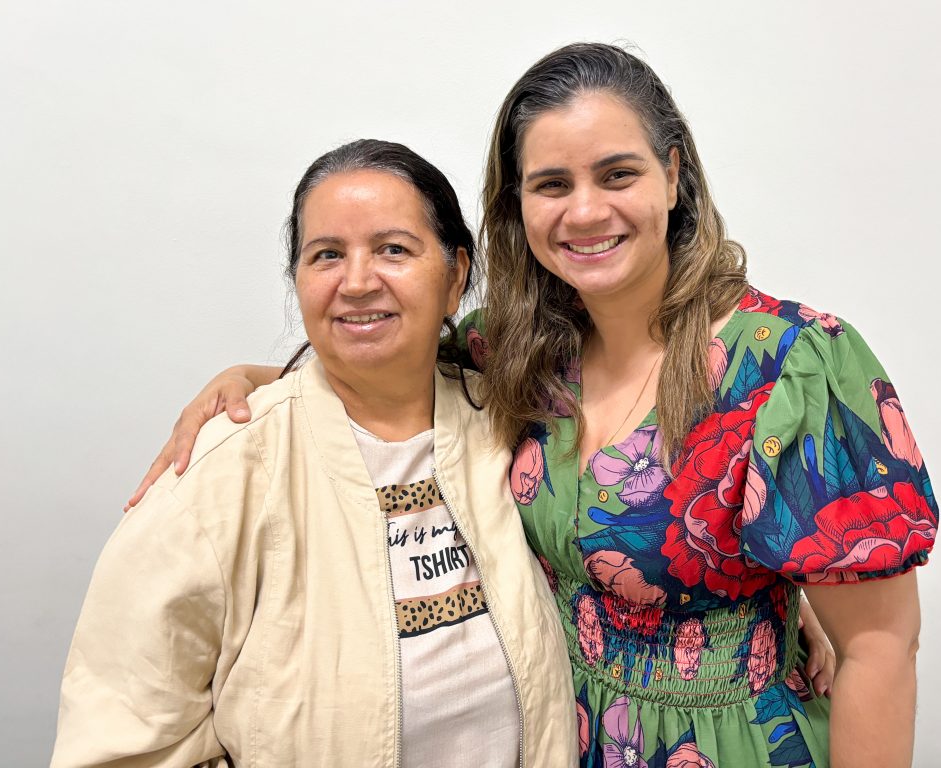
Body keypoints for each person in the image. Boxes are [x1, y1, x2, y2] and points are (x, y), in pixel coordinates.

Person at [130, 44, 938, 767]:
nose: (584, 211)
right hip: (560, 736)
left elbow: (881, 646)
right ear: (517, 205)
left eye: (616, 174)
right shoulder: (518, 355)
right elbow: (388, 354)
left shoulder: (790, 366)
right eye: (552, 184)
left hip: (739, 745)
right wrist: (257, 374)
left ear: (674, 173)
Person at [52, 140, 577, 768]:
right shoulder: (220, 473)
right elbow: (118, 740)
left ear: (456, 274)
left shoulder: (512, 425)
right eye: (327, 254)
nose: (356, 282)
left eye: (393, 250)